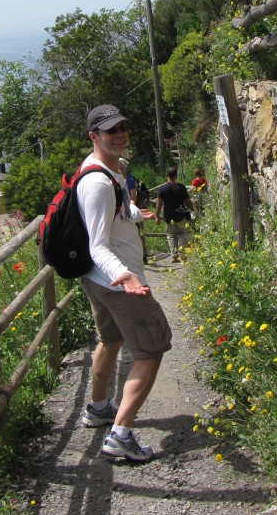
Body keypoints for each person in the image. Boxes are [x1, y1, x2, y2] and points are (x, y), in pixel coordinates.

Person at [76, 104, 172, 462]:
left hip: (97, 280)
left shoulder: (108, 169)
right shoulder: (99, 182)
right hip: (118, 281)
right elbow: (97, 244)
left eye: (122, 128)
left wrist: (134, 214)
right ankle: (121, 434)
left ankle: (99, 408)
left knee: (111, 339)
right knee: (152, 348)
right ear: (93, 137)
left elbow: (120, 209)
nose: (119, 135)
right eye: (109, 131)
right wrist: (125, 275)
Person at [154, 166, 196, 263]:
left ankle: (174, 256)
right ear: (176, 176)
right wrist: (193, 209)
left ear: (167, 175)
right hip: (181, 216)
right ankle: (183, 254)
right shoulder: (181, 187)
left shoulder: (162, 188)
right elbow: (188, 201)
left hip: (169, 216)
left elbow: (159, 203)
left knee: (171, 235)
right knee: (183, 233)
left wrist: (157, 216)